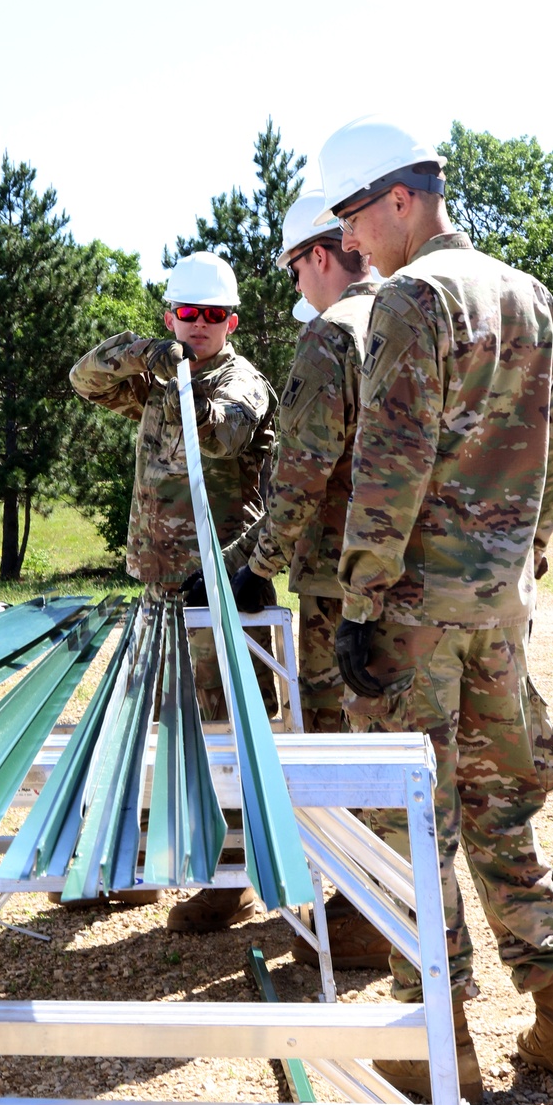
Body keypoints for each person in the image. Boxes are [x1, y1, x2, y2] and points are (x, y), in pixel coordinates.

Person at [313, 115, 553, 1104]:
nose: (348, 238)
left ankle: (445, 1048)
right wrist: (525, 555)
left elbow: (388, 466)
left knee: (411, 824)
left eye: (353, 214)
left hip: (415, 615)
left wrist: (357, 604)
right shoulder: (528, 295)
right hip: (499, 609)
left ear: (402, 198)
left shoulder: (409, 297)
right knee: (501, 812)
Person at [69, 249, 276, 931]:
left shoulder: (239, 380)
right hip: (159, 583)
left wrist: (181, 376)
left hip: (217, 586)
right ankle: (149, 863)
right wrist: (146, 355)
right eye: (189, 314)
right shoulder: (159, 373)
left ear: (232, 320)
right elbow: (84, 378)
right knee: (158, 724)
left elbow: (224, 436)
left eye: (214, 316)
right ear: (171, 314)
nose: (201, 325)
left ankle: (234, 875)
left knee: (223, 730)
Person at [227, 193, 377, 742]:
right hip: (414, 573)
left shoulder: (330, 335)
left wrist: (257, 568)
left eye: (293, 270)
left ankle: (342, 833)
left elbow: (300, 480)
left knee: (332, 734)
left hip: (337, 577)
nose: (296, 286)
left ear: (318, 257)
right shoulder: (413, 315)